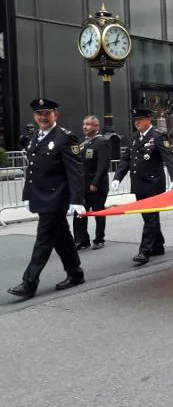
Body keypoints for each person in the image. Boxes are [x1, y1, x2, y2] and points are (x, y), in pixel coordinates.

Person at [7, 98, 86, 299]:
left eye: (46, 113)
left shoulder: (65, 137)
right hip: (41, 197)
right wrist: (27, 195)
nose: (42, 117)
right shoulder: (36, 137)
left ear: (55, 115)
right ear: (34, 116)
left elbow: (75, 171)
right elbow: (32, 170)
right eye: (38, 114)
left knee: (43, 239)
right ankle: (75, 273)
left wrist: (77, 199)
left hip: (56, 198)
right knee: (61, 237)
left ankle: (29, 282)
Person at [111, 108, 173, 264]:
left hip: (153, 183)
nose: (136, 122)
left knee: (150, 217)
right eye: (135, 120)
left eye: (140, 119)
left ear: (148, 120)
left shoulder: (157, 136)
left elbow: (169, 158)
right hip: (139, 184)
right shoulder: (133, 138)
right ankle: (158, 245)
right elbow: (125, 160)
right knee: (148, 216)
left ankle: (144, 251)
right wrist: (117, 177)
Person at [73, 116, 110, 250]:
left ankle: (99, 239)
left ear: (96, 127)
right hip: (82, 185)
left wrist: (95, 183)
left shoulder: (101, 142)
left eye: (88, 124)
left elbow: (103, 165)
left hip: (96, 186)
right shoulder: (83, 143)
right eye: (84, 124)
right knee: (79, 213)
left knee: (98, 212)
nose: (84, 127)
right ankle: (81, 240)